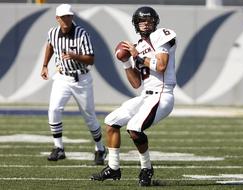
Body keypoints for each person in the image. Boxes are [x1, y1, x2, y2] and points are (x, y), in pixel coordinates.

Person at [91, 6, 177, 186]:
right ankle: (113, 168)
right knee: (111, 122)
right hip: (146, 96)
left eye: (149, 20)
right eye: (141, 21)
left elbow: (161, 66)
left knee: (134, 128)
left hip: (162, 94)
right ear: (136, 24)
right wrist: (126, 62)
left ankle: (146, 168)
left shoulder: (162, 35)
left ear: (155, 22)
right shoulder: (137, 46)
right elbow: (136, 83)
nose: (145, 24)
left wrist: (137, 56)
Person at [40, 4, 106, 165]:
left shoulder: (82, 33)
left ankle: (100, 148)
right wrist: (44, 65)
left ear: (72, 17)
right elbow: (50, 45)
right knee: (54, 109)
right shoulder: (53, 32)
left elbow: (91, 59)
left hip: (81, 79)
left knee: (89, 116)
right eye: (63, 17)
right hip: (62, 77)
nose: (66, 20)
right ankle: (59, 148)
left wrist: (75, 56)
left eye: (69, 16)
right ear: (57, 18)